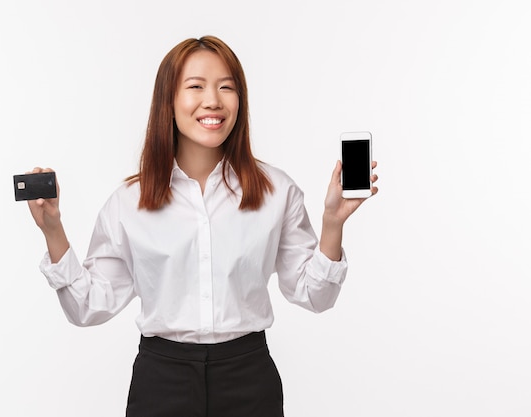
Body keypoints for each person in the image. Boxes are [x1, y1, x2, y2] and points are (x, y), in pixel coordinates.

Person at [26, 35, 378, 417]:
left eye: (226, 87)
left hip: (249, 378)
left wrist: (332, 224)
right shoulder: (129, 202)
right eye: (196, 86)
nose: (213, 100)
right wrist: (53, 231)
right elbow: (88, 307)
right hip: (161, 381)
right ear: (169, 101)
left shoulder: (277, 191)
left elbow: (315, 296)